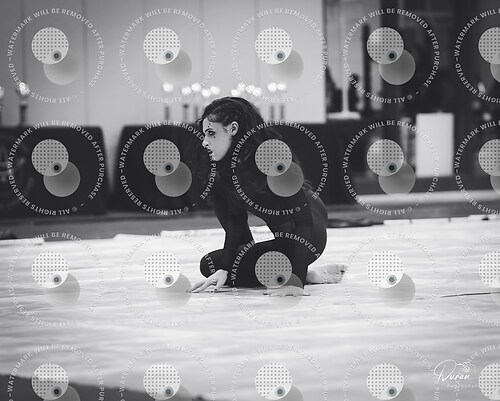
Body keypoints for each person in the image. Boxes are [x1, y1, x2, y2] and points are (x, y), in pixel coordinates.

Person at [189, 97, 343, 296]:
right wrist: (225, 269)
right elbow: (235, 222)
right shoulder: (226, 170)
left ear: (233, 129)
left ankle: (302, 273)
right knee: (210, 265)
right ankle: (290, 273)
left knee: (247, 267)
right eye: (204, 134)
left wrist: (296, 282)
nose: (204, 142)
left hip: (308, 233)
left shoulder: (270, 157)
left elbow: (304, 221)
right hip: (282, 240)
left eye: (211, 133)